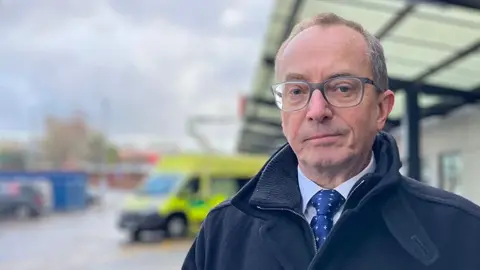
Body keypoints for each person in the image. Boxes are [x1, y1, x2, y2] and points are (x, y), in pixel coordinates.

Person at [182, 12, 480, 270]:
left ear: (381, 109)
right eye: (296, 91)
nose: (316, 111)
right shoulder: (222, 232)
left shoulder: (462, 231)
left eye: (342, 88)